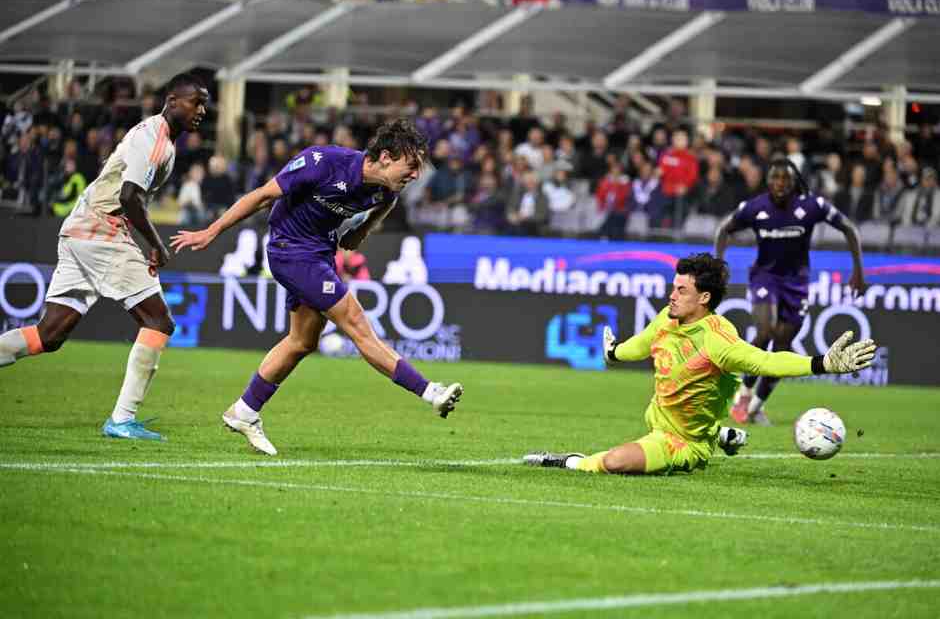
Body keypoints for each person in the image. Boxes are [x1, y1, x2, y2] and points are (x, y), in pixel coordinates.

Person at [171, 119, 463, 456]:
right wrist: (213, 230)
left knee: (302, 341)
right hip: (289, 250)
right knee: (356, 324)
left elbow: (387, 201)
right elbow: (263, 195)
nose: (415, 175)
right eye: (410, 166)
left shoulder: (386, 188)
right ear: (385, 157)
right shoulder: (323, 162)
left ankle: (244, 412)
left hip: (320, 253)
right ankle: (430, 392)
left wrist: (363, 231)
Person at [524, 253, 876, 476]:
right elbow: (642, 344)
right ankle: (719, 432)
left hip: (681, 442)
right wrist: (614, 353)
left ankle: (569, 461)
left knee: (614, 463)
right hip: (660, 417)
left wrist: (821, 363)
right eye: (673, 287)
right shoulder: (666, 318)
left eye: (681, 291)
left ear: (704, 298)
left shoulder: (718, 341)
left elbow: (767, 361)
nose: (671, 295)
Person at [0, 72, 209, 440]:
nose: (202, 110)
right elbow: (130, 197)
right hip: (101, 230)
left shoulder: (161, 140)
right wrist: (156, 245)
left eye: (205, 103)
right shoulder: (154, 139)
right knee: (159, 322)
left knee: (49, 336)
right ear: (172, 100)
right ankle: (122, 420)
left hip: (80, 227)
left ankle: (123, 419)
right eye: (196, 102)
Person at [715, 158, 866, 426]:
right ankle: (744, 394)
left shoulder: (812, 206)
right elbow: (724, 229)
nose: (780, 184)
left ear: (795, 182)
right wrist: (718, 263)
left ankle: (755, 408)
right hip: (765, 277)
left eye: (785, 179)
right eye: (775, 178)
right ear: (768, 182)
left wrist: (858, 271)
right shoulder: (756, 207)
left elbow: (849, 229)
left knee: (782, 345)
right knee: (765, 332)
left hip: (796, 283)